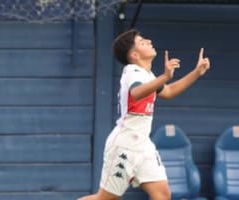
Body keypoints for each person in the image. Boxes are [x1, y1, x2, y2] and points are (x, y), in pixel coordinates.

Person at [78, 29, 210, 200]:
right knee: (104, 199)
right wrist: (165, 76)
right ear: (134, 55)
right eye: (142, 42)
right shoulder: (132, 71)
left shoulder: (148, 75)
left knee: (162, 195)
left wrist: (196, 73)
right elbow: (136, 92)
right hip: (124, 144)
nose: (148, 40)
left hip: (144, 145)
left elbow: (168, 92)